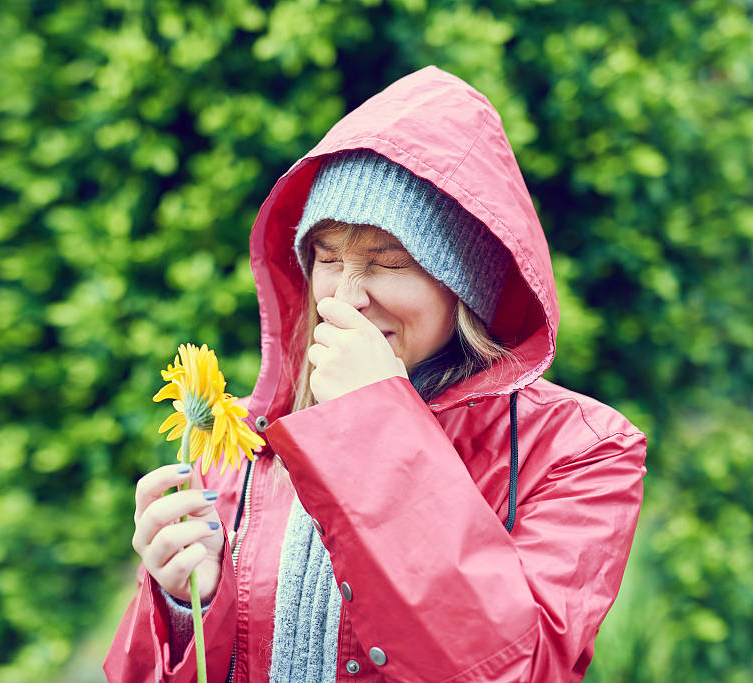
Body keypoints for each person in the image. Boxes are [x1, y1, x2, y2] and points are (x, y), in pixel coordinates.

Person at [105, 65, 647, 682]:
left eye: (388, 264)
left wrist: (373, 423)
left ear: (464, 287)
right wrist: (186, 610)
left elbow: (518, 670)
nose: (348, 296)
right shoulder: (245, 444)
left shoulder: (582, 451)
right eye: (327, 259)